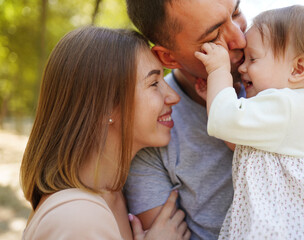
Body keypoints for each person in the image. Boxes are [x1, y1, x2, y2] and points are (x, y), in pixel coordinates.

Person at [124, 0, 304, 239]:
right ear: (169, 57)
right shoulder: (153, 129)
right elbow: (238, 138)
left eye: (236, 12)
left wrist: (218, 77)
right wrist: (217, 93)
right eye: (214, 35)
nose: (240, 38)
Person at [194, 5, 304, 239]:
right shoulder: (296, 105)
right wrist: (219, 96)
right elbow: (239, 140)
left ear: (297, 69)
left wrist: (218, 71)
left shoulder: (285, 106)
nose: (241, 67)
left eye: (252, 58)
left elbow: (224, 123)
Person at [20, 26, 191, 240]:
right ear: (104, 108)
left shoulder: (115, 194)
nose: (173, 96)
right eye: (154, 83)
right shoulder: (78, 220)